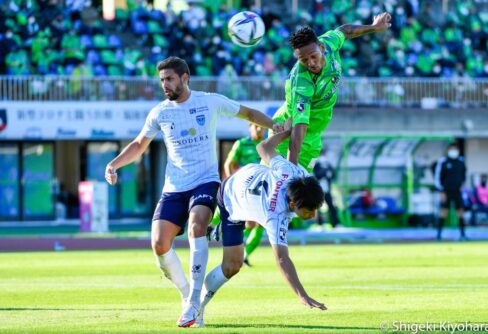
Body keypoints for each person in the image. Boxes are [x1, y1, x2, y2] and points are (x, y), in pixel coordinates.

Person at [104, 56, 283, 328]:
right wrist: (114, 163)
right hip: (173, 188)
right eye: (162, 80)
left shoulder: (209, 101)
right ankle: (188, 295)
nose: (165, 84)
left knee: (197, 225)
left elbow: (248, 113)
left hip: (205, 182)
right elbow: (140, 144)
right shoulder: (160, 112)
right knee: (159, 245)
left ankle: (192, 305)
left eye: (170, 79)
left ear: (185, 78)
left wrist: (273, 126)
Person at [195, 124, 327, 327]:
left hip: (247, 191)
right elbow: (282, 259)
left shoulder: (290, 171)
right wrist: (302, 295)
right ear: (292, 205)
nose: (313, 215)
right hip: (230, 199)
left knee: (250, 227)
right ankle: (197, 308)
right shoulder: (277, 217)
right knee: (232, 266)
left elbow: (263, 148)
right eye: (309, 211)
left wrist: (286, 133)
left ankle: (221, 230)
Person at [272, 13, 392, 172]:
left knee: (306, 193)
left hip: (314, 137)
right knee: (284, 191)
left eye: (313, 56)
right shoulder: (301, 82)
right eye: (304, 60)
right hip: (288, 138)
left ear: (321, 48)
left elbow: (345, 31)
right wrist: (290, 169)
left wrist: (373, 27)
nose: (311, 63)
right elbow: (299, 126)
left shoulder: (329, 43)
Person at [223, 123, 266, 267]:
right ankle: (234, 244)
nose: (260, 129)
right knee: (250, 223)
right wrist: (231, 183)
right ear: (250, 127)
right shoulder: (242, 143)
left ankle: (244, 254)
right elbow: (229, 164)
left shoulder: (268, 144)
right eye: (256, 126)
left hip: (263, 189)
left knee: (261, 224)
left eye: (262, 127)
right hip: (245, 188)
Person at [434, 143, 467, 240]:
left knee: (460, 212)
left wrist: (462, 186)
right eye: (451, 149)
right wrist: (441, 191)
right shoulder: (443, 162)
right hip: (446, 192)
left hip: (457, 192)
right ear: (448, 150)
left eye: (455, 149)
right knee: (443, 212)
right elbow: (438, 178)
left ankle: (463, 235)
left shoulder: (461, 162)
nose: (453, 151)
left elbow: (464, 176)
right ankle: (439, 235)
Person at [313, 149, 340, 227]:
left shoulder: (327, 163)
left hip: (326, 189)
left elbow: (333, 174)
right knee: (317, 207)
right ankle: (319, 223)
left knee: (331, 206)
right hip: (318, 189)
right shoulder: (314, 162)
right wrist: (324, 172)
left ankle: (336, 223)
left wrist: (329, 174)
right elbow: (314, 174)